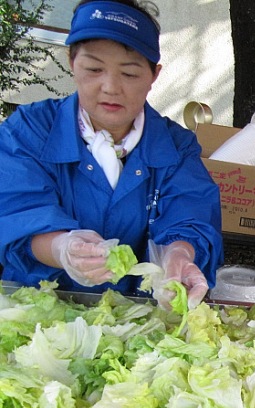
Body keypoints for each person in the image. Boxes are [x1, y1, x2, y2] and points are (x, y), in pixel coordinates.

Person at [0, 0, 224, 309]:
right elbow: (17, 214)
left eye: (130, 74)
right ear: (71, 61)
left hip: (137, 315)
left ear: (154, 75)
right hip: (38, 309)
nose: (110, 87)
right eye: (93, 69)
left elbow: (190, 215)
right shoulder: (27, 131)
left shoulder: (177, 146)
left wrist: (178, 256)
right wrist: (62, 248)